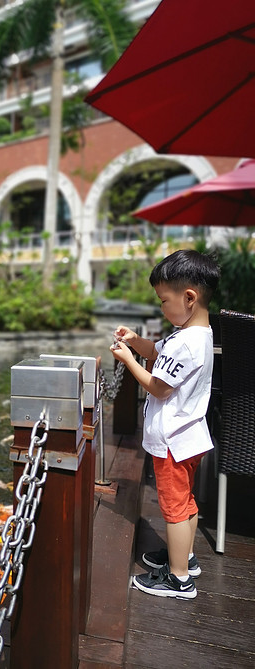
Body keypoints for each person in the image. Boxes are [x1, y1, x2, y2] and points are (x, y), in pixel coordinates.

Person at [110, 249, 220, 600]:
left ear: (189, 298)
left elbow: (158, 385)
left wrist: (128, 360)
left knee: (173, 509)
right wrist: (135, 342)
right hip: (191, 437)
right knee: (186, 503)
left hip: (173, 440)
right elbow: (157, 353)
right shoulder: (196, 334)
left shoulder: (186, 343)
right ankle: (183, 557)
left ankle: (178, 579)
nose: (161, 308)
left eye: (163, 301)